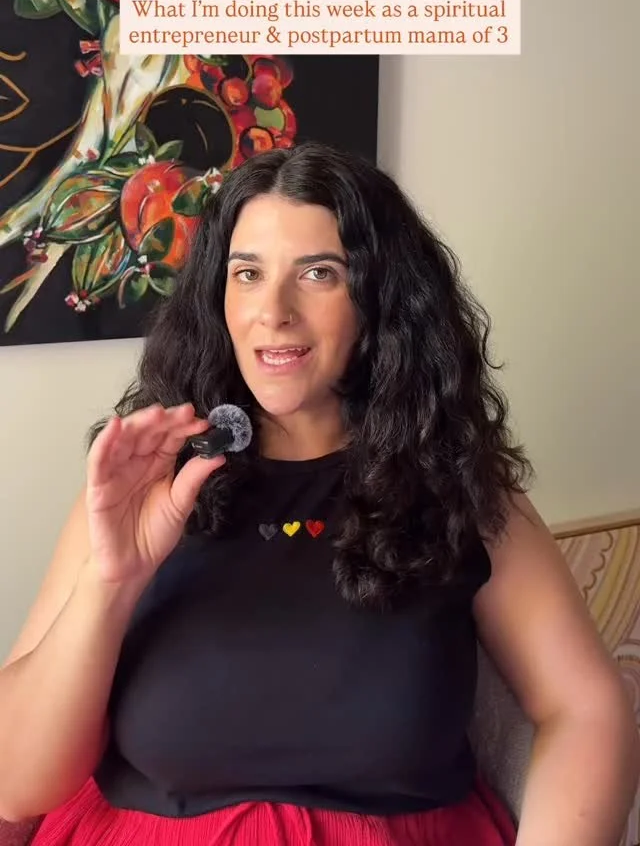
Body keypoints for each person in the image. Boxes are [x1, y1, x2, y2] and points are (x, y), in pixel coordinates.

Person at [0, 141, 637, 846]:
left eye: (319, 273)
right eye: (248, 274)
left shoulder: (457, 484)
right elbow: (18, 782)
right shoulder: (140, 485)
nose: (273, 311)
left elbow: (584, 707)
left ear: (380, 299)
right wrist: (110, 582)